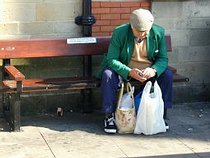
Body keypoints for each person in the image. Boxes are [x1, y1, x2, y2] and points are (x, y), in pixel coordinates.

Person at [96, 8, 173, 134]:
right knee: (108, 75)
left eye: (145, 31)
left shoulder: (158, 33)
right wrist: (129, 71)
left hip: (147, 71)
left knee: (167, 75)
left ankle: (161, 114)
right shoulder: (120, 32)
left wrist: (153, 70)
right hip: (126, 70)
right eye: (139, 31)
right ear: (132, 26)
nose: (142, 34)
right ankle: (109, 116)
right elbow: (112, 59)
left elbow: (163, 59)